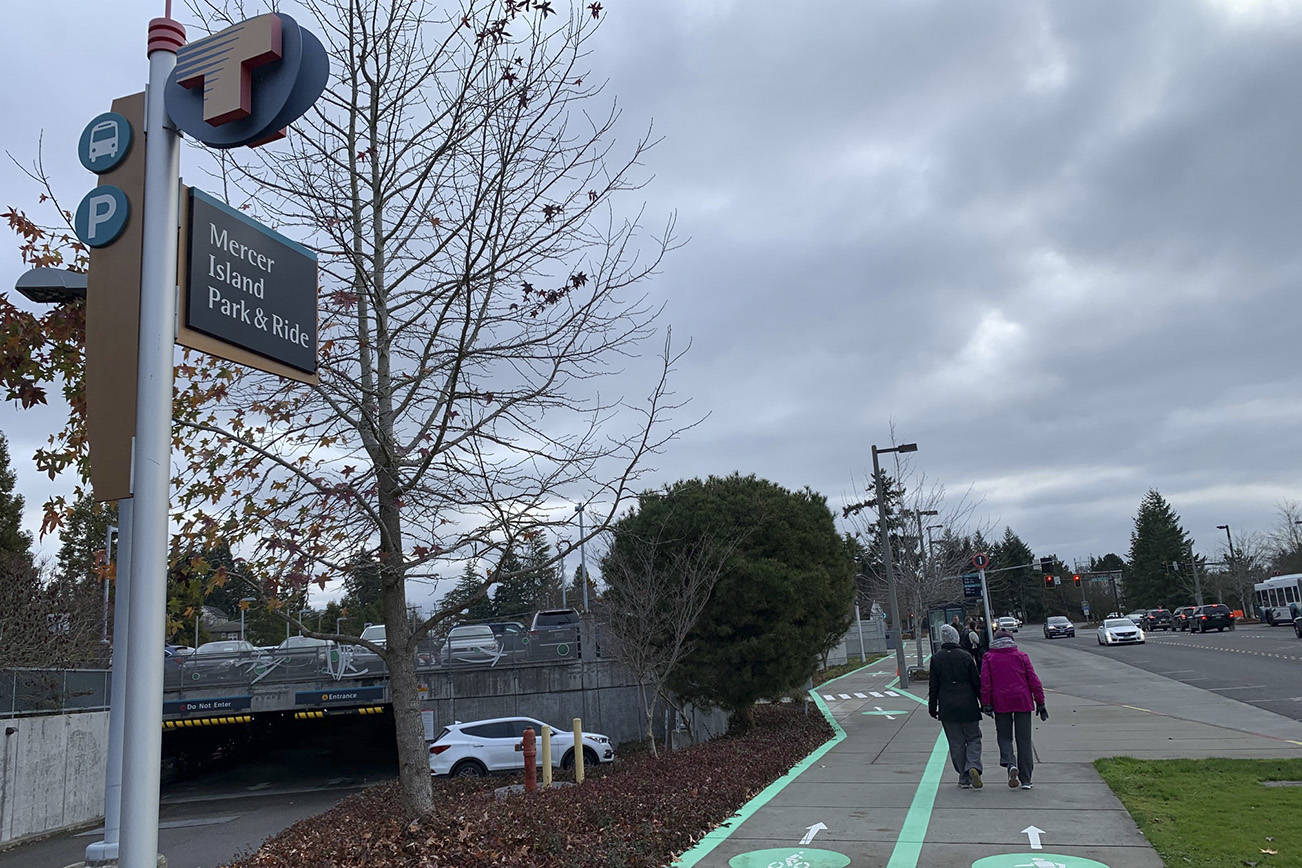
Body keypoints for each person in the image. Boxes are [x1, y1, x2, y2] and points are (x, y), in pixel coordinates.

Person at [979, 628, 1047, 790]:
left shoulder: (989, 658)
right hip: (1022, 700)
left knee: (1004, 737)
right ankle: (1026, 779)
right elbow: (1033, 680)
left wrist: (986, 703)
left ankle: (1011, 764)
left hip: (1001, 702)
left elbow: (986, 683)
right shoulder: (1021, 656)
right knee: (1024, 740)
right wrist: (1041, 702)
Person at [928, 623, 984, 789]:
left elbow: (933, 686)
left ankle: (963, 776)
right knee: (974, 737)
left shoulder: (936, 658)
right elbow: (976, 682)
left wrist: (932, 707)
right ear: (956, 638)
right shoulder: (966, 656)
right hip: (968, 704)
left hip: (947, 706)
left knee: (956, 742)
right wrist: (985, 702)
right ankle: (973, 765)